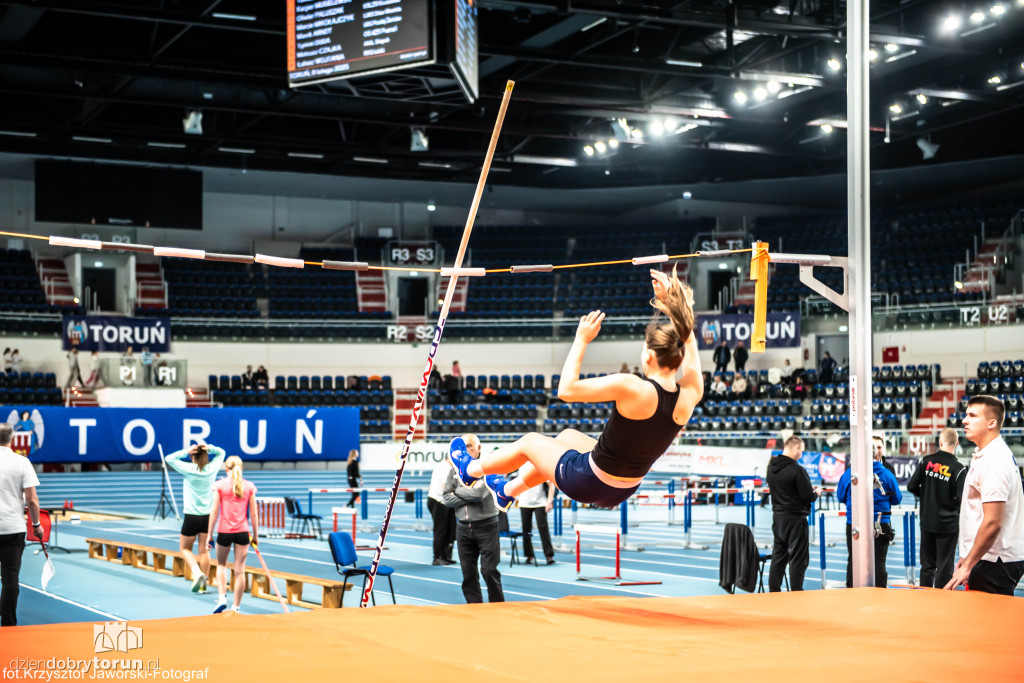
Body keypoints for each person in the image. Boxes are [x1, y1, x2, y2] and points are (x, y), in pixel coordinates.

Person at [449, 267, 702, 514]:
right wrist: (675, 305)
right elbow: (689, 339)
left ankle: (469, 470)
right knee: (567, 437)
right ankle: (508, 490)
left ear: (647, 355)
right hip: (625, 487)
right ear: (679, 358)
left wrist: (581, 340)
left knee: (529, 443)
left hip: (590, 481)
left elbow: (566, 390)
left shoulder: (634, 387)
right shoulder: (690, 394)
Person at [945, 396, 1024, 594]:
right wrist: (967, 555)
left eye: (972, 415)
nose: (964, 420)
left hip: (996, 560)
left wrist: (968, 565)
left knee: (990, 622)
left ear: (991, 423)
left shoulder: (994, 461)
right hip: (988, 557)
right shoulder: (986, 454)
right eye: (965, 415)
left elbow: (992, 523)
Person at [443, 434, 504, 603]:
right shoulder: (454, 470)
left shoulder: (489, 468)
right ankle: (474, 607)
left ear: (479, 448)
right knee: (468, 573)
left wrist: (457, 492)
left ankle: (498, 606)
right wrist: (466, 494)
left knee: (489, 571)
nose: (466, 450)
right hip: (462, 528)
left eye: (469, 446)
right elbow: (446, 498)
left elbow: (478, 494)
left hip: (487, 527)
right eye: (463, 446)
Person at [836, 435, 902, 587]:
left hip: (854, 523)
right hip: (880, 522)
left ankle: (851, 592)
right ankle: (879, 594)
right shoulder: (887, 474)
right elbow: (897, 499)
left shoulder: (850, 474)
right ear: (875, 454)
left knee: (854, 559)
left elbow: (840, 497)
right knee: (878, 561)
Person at [907, 428, 966, 589]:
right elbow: (963, 500)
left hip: (927, 522)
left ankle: (924, 601)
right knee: (944, 567)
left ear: (940, 442)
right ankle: (941, 603)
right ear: (957, 444)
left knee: (927, 566)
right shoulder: (959, 469)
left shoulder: (926, 461)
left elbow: (911, 486)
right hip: (948, 526)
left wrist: (925, 496)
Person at [163, 442, 226, 593]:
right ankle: (203, 586)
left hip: (192, 516)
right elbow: (222, 453)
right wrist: (210, 448)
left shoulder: (190, 469)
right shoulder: (211, 469)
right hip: (207, 516)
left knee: (184, 548)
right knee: (204, 551)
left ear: (192, 456)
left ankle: (197, 573)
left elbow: (169, 459)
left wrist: (186, 450)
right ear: (205, 455)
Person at [0, 423, 42, 626]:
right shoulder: (22, 462)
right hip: (13, 529)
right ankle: (8, 623)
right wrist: (37, 524)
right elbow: (32, 500)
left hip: (11, 528)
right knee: (10, 577)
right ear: (13, 440)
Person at [207, 456, 258, 614]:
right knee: (239, 570)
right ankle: (236, 607)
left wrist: (209, 535)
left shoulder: (220, 485)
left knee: (221, 565)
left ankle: (222, 597)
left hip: (224, 531)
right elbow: (254, 514)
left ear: (226, 469)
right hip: (243, 531)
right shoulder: (248, 486)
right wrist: (255, 535)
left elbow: (214, 511)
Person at [766, 436, 816, 591]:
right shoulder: (796, 470)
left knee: (778, 557)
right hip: (795, 519)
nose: (801, 454)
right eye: (801, 450)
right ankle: (796, 592)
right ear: (796, 448)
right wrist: (817, 494)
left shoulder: (771, 468)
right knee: (798, 559)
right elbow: (807, 496)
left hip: (778, 519)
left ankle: (774, 591)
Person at [519, 481, 556, 565]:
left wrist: (549, 501)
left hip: (540, 503)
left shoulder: (541, 468)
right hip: (524, 503)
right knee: (526, 530)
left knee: (543, 528)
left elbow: (551, 484)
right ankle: (529, 555)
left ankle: (549, 555)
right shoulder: (520, 468)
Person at [427, 459, 456, 565]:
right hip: (439, 501)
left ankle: (445, 556)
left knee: (449, 530)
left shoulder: (448, 467)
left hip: (445, 502)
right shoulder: (445, 468)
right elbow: (446, 487)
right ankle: (437, 557)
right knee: (441, 530)